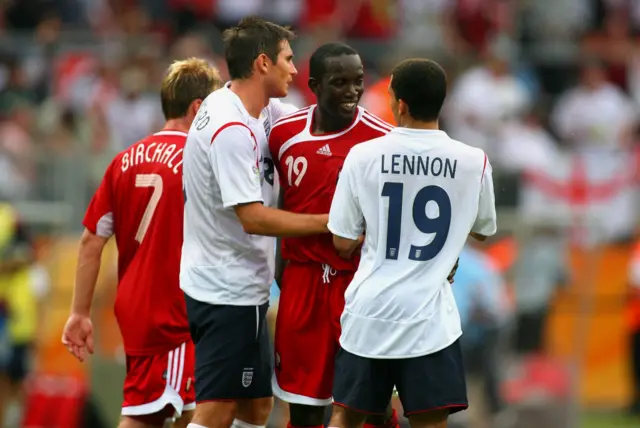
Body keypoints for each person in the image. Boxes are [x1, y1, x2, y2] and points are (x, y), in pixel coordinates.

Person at [327, 58, 497, 428]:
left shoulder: (362, 156)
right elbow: (482, 228)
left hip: (369, 313)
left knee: (347, 417)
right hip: (430, 320)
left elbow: (341, 240)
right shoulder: (474, 161)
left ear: (400, 104)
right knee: (429, 421)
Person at [179, 17, 329, 428]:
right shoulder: (230, 129)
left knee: (257, 405)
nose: (295, 69)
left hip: (239, 284)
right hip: (226, 289)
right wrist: (325, 223)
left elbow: (312, 122)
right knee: (216, 410)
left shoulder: (258, 109)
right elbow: (253, 218)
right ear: (263, 63)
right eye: (288, 59)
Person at [61, 58, 222, 428]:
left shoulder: (123, 160)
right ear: (199, 108)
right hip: (179, 310)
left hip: (135, 311)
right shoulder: (202, 159)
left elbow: (90, 241)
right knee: (198, 413)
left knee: (146, 411)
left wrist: (79, 312)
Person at [268, 42, 400, 428]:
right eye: (339, 82)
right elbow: (282, 205)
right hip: (303, 284)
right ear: (314, 85)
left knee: (370, 408)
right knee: (304, 405)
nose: (352, 91)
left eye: (358, 81)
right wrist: (285, 273)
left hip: (357, 286)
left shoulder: (382, 141)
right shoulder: (283, 135)